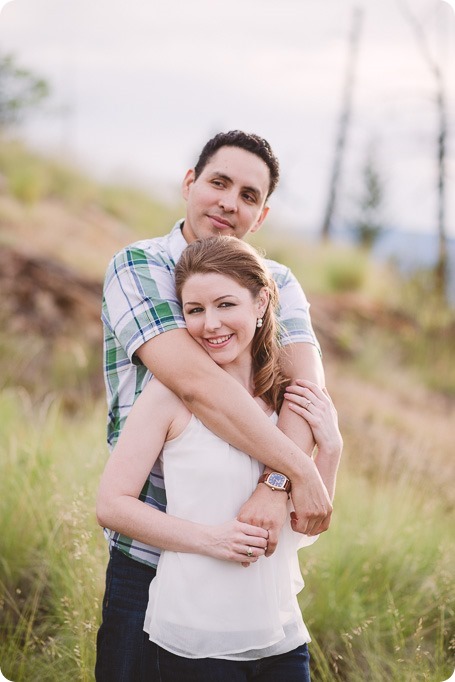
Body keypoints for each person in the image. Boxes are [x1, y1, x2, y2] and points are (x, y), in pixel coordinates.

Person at [96, 130, 339, 681]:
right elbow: (197, 385)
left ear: (263, 214)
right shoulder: (139, 267)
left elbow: (305, 390)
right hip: (152, 545)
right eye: (219, 182)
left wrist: (273, 488)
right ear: (191, 183)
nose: (230, 202)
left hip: (254, 555)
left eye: (249, 195)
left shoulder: (276, 281)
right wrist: (298, 469)